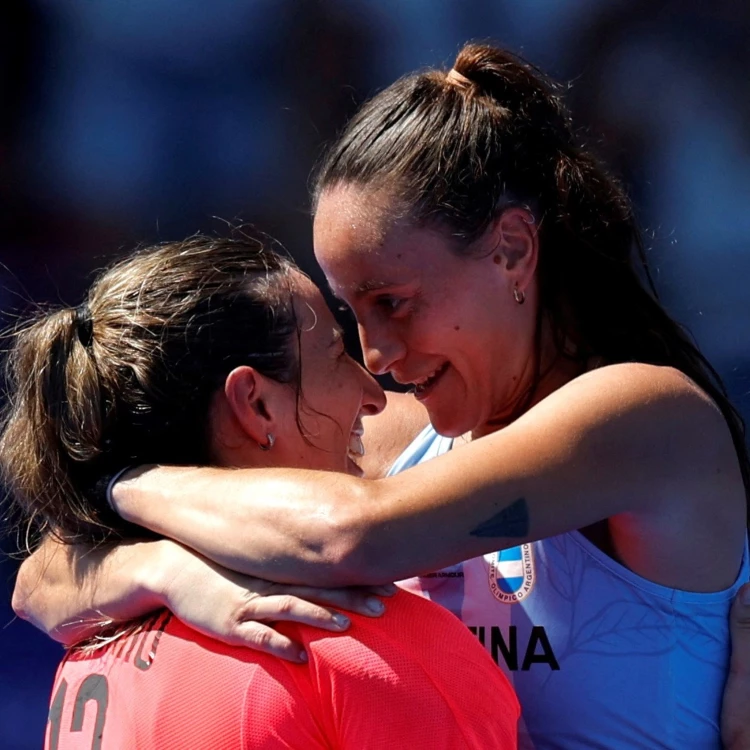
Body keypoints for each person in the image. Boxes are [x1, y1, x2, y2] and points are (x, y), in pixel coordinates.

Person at [13, 43, 750, 748]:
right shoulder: (393, 439)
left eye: (392, 303)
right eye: (349, 317)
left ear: (512, 251)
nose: (376, 362)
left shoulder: (650, 418)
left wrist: (128, 485)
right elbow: (43, 576)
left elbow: (350, 536)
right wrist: (159, 570)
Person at [1, 235, 519, 749]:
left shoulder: (88, 644)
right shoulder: (383, 655)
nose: (374, 394)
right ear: (256, 404)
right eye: (337, 354)